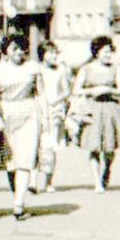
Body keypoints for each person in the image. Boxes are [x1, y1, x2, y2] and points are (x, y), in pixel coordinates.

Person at [0, 33, 50, 219]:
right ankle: (17, 195)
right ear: (6, 50)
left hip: (29, 112)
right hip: (6, 113)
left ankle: (19, 204)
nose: (19, 52)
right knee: (11, 161)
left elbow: (41, 94)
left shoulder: (33, 68)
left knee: (26, 159)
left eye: (22, 48)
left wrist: (45, 118)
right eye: (14, 48)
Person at [73, 35, 120, 191]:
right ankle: (97, 181)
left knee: (109, 147)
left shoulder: (116, 68)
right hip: (92, 109)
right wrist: (93, 90)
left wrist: (108, 90)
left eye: (110, 52)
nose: (108, 55)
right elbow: (76, 89)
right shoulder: (86, 69)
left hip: (111, 109)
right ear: (97, 52)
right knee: (94, 146)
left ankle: (106, 170)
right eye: (105, 52)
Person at [34, 40, 71, 193]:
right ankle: (33, 181)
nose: (54, 56)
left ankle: (48, 181)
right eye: (51, 53)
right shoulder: (37, 70)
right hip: (39, 110)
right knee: (37, 146)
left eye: (56, 53)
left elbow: (67, 90)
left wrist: (57, 100)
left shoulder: (60, 71)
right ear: (43, 55)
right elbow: (36, 90)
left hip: (54, 110)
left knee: (51, 147)